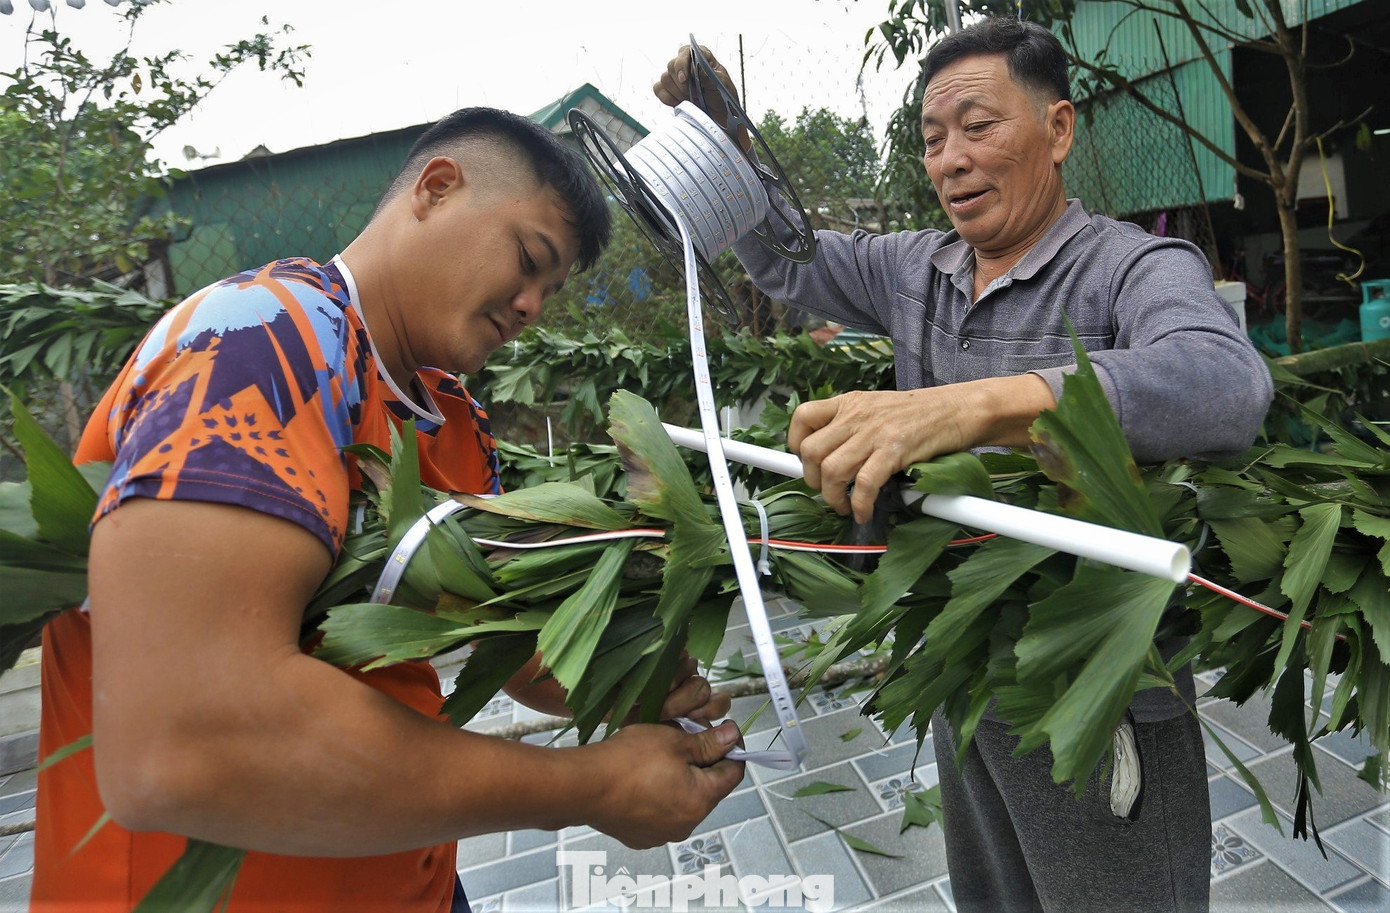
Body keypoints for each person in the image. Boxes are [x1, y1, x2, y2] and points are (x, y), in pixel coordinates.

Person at [32, 106, 745, 913]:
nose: (533, 306)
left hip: (405, 874)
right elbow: (186, 739)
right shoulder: (259, 341)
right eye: (529, 259)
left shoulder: (450, 419)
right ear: (437, 189)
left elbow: (505, 644)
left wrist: (631, 682)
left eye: (551, 288)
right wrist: (585, 786)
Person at [657, 17, 1272, 913]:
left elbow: (1225, 384)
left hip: (1098, 698)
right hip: (963, 673)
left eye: (979, 128)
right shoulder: (918, 268)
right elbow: (788, 257)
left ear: (1058, 131)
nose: (950, 160)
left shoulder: (1130, 268)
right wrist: (728, 140)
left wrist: (970, 404)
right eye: (934, 139)